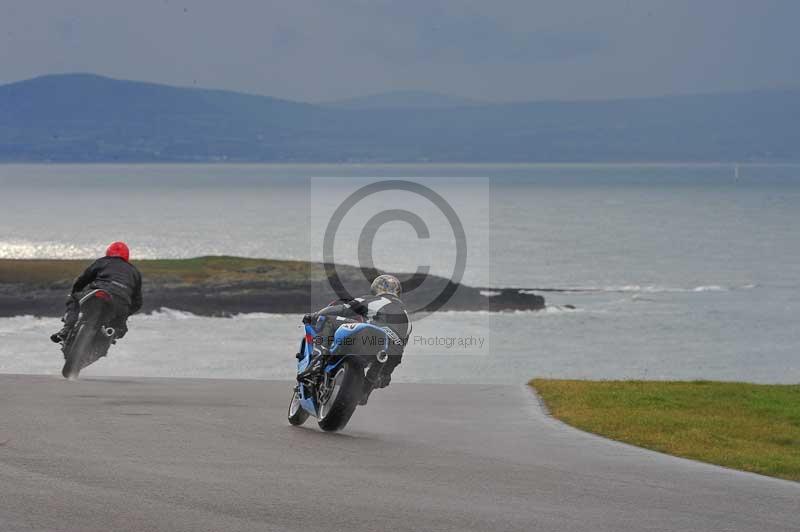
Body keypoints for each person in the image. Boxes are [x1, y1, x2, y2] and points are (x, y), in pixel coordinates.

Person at [304, 274, 411, 393]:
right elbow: (402, 344)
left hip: (371, 338)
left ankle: (317, 361)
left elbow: (343, 309)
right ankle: (364, 393)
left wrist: (315, 315)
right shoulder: (407, 316)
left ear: (378, 288)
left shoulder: (375, 300)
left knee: (327, 320)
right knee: (369, 388)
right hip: (393, 354)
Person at [50, 242, 143, 343]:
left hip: (99, 294)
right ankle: (110, 333)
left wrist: (75, 292)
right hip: (121, 303)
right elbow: (138, 302)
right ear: (127, 255)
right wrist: (126, 312)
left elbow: (83, 279)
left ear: (108, 252)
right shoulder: (134, 271)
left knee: (74, 299)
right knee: (119, 329)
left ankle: (66, 330)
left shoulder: (102, 262)